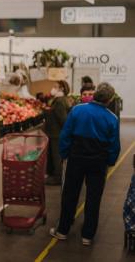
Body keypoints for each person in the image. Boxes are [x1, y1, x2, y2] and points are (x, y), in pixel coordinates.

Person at [50, 82, 120, 246]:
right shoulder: (112, 118)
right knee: (94, 198)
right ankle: (87, 235)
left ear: (94, 95)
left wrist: (64, 154)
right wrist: (109, 162)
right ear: (109, 100)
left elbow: (65, 135)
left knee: (70, 194)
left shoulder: (78, 110)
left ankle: (63, 230)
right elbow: (114, 145)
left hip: (76, 159)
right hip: (98, 162)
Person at [44, 80, 72, 185]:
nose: (53, 88)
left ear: (62, 88)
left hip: (57, 134)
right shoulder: (60, 100)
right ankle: (55, 176)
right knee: (55, 156)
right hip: (55, 133)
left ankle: (58, 178)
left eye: (55, 86)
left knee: (57, 157)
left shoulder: (59, 101)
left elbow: (63, 119)